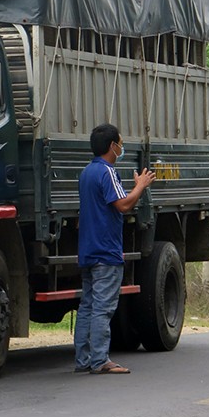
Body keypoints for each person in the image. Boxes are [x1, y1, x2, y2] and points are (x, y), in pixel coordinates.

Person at [74, 123, 156, 374]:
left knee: (87, 305)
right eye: (120, 143)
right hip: (105, 250)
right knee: (103, 307)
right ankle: (100, 360)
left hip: (88, 249)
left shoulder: (87, 172)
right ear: (112, 146)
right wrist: (141, 186)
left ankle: (83, 359)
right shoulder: (107, 172)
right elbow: (122, 205)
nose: (122, 147)